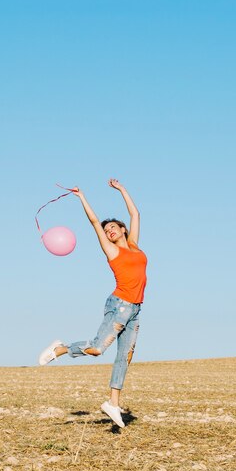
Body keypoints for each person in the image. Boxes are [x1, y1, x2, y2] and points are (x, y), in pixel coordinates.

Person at [38, 178, 148, 428]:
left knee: (125, 357)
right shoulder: (112, 252)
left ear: (123, 230)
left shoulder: (134, 246)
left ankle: (113, 403)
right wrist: (82, 197)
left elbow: (135, 213)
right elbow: (94, 222)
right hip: (119, 306)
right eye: (107, 230)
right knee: (98, 349)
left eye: (113, 228)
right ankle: (61, 349)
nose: (109, 230)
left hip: (135, 310)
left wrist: (122, 189)